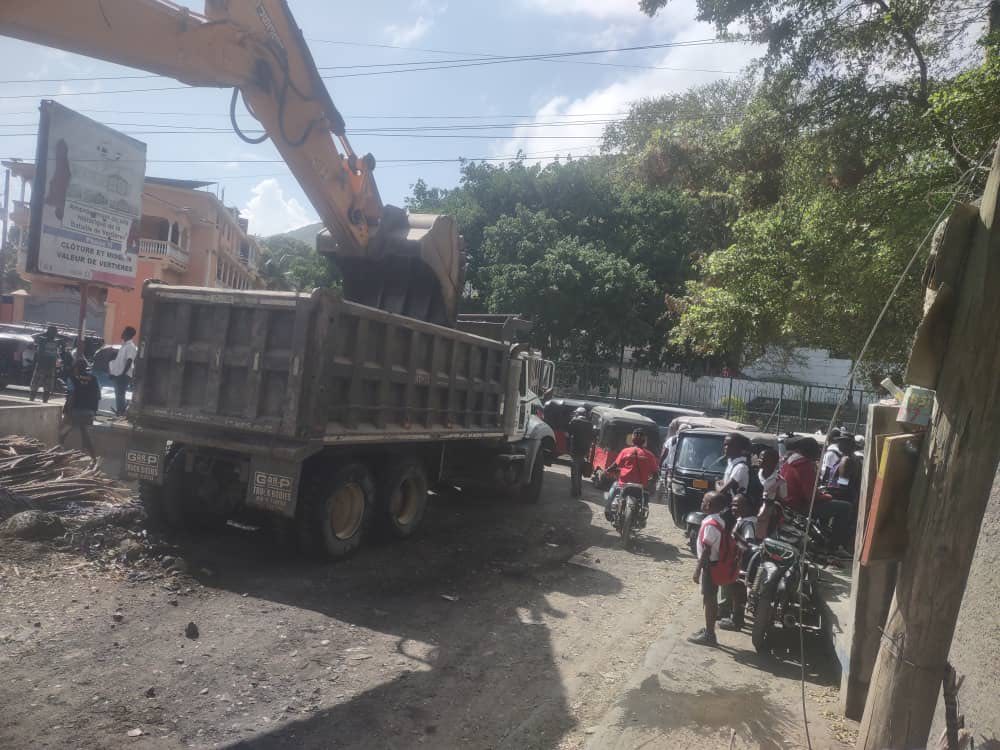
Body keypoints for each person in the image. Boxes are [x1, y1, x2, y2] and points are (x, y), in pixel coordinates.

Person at [781, 436, 854, 554]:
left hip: (789, 502)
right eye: (817, 450)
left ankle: (820, 537)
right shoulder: (804, 465)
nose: (819, 452)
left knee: (831, 503)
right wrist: (827, 496)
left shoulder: (789, 462)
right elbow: (811, 496)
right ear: (809, 451)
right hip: (800, 505)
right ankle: (834, 547)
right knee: (846, 507)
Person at [689, 491, 741, 645]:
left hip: (709, 566)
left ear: (709, 505)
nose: (702, 503)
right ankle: (707, 628)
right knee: (710, 597)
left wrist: (697, 570)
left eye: (704, 501)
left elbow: (706, 550)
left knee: (709, 599)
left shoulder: (710, 525)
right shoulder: (719, 520)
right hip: (715, 564)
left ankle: (710, 634)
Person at [604, 428, 659, 521]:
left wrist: (607, 470)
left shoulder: (625, 451)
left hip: (624, 483)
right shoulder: (650, 455)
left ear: (632, 439)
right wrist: (653, 481)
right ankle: (644, 510)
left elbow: (614, 465)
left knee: (614, 487)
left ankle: (607, 509)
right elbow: (655, 472)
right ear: (644, 441)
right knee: (645, 496)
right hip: (641, 485)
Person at [59, 359, 100, 461]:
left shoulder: (72, 378)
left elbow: (71, 396)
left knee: (61, 433)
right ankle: (93, 458)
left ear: (76, 368)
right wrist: (94, 411)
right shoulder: (94, 379)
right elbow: (98, 396)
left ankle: (58, 454)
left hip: (75, 411)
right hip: (89, 412)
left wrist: (67, 411)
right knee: (85, 435)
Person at [756, 446, 787, 541]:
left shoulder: (780, 481)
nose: (760, 460)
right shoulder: (753, 474)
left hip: (768, 515)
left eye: (763, 459)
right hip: (753, 510)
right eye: (760, 458)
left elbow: (783, 498)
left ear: (773, 462)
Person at [108, 326, 137, 417]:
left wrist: (122, 374)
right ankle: (120, 412)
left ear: (128, 334)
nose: (122, 333)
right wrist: (113, 373)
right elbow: (119, 362)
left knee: (120, 394)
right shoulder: (124, 346)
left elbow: (129, 361)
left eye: (124, 332)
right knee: (118, 394)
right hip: (118, 374)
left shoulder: (131, 347)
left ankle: (121, 413)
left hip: (123, 375)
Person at [29, 325, 62, 403]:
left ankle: (45, 401)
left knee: (48, 386)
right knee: (35, 384)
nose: (54, 334)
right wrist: (44, 334)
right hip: (41, 365)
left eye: (55, 333)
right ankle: (31, 399)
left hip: (51, 366)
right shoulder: (42, 340)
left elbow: (68, 340)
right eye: (52, 332)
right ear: (48, 332)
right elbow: (32, 336)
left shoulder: (57, 341)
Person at [567, 407, 594, 498]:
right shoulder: (590, 424)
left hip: (575, 450)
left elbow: (568, 433)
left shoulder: (574, 421)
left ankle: (575, 492)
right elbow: (592, 438)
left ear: (578, 413)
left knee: (575, 472)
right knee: (579, 473)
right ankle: (578, 490)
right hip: (584, 451)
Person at [716, 432, 751, 497]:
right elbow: (724, 482)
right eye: (725, 445)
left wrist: (717, 484)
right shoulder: (731, 463)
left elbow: (721, 491)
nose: (726, 447)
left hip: (735, 505)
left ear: (739, 447)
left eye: (730, 445)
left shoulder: (741, 467)